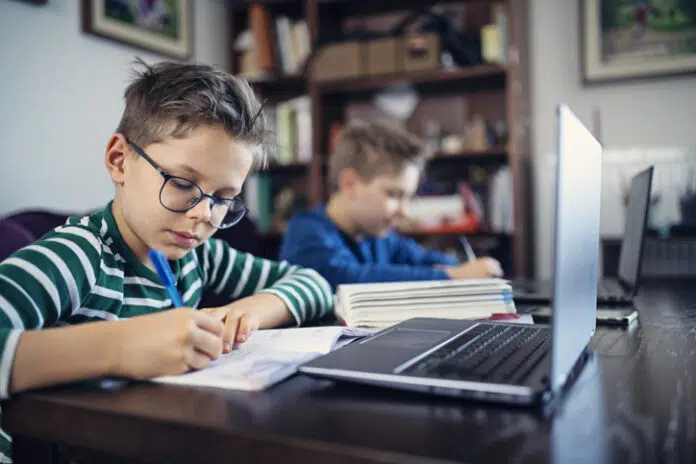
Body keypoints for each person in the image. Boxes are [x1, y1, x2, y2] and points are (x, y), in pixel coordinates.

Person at [0, 59, 332, 461]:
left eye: (224, 199)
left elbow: (313, 283)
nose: (203, 215)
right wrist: (121, 348)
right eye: (181, 183)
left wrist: (247, 313)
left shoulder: (197, 256)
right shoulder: (78, 256)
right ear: (119, 160)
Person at [279, 119, 503, 291]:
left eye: (408, 198)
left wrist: (460, 267)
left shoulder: (376, 235)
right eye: (394, 194)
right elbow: (350, 277)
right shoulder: (306, 232)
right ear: (350, 184)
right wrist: (452, 276)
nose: (403, 210)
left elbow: (420, 258)